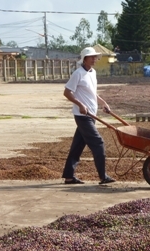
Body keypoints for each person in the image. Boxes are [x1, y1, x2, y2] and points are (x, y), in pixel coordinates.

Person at [62, 47, 116, 185]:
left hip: (92, 114)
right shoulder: (78, 74)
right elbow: (67, 92)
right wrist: (80, 104)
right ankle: (103, 176)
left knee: (77, 146)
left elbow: (92, 92)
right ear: (84, 59)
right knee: (98, 143)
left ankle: (69, 176)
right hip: (82, 116)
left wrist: (103, 102)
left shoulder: (93, 72)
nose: (94, 59)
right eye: (91, 57)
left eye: (95, 57)